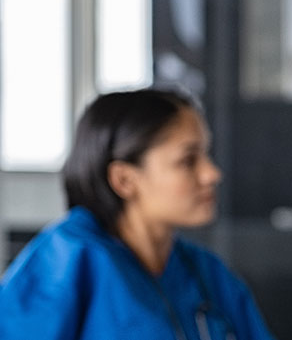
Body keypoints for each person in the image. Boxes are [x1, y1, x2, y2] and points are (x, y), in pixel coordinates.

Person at [0, 89, 274, 339]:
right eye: (188, 161)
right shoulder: (69, 259)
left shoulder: (207, 273)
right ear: (124, 180)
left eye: (206, 155)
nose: (212, 174)